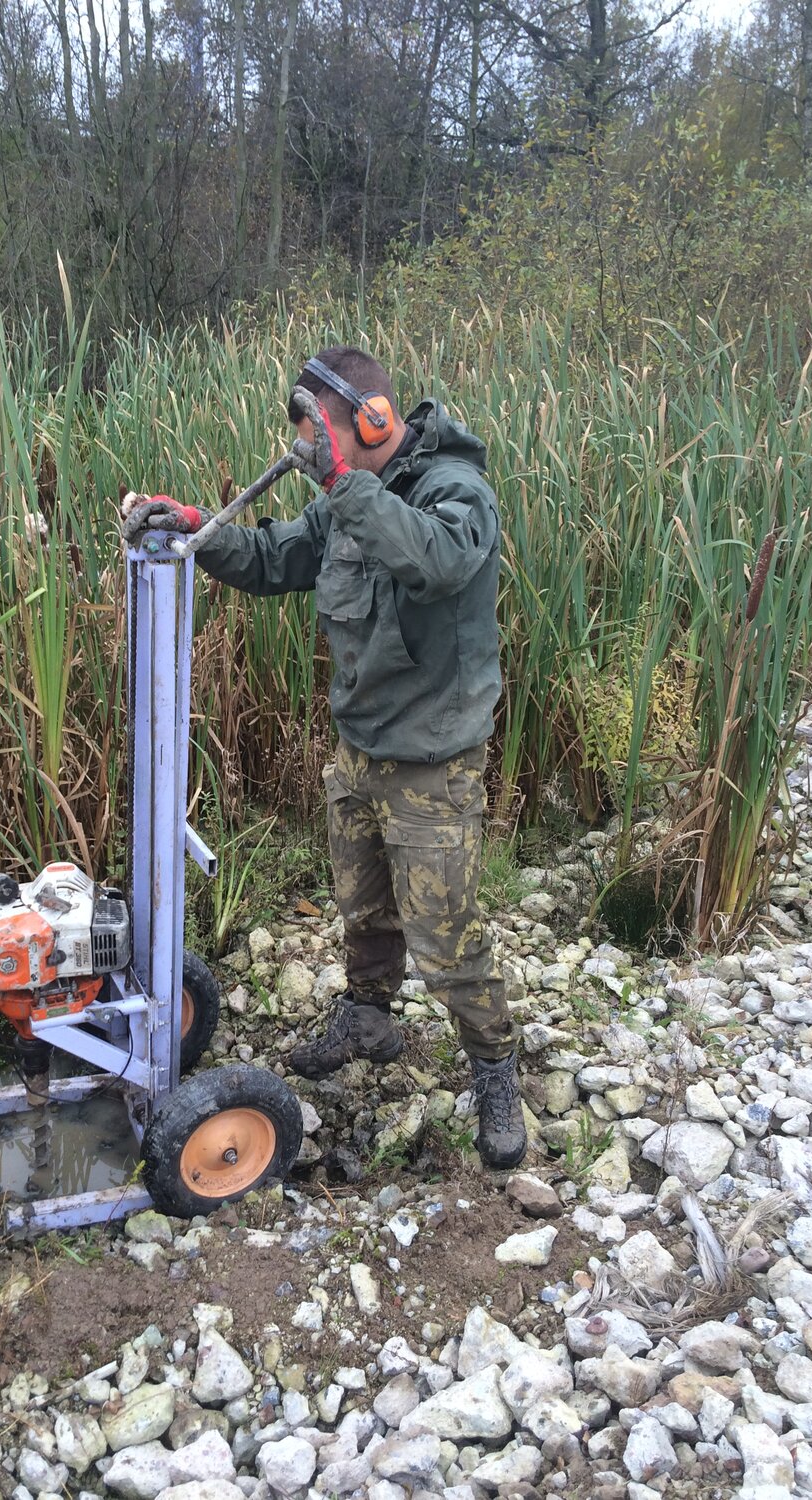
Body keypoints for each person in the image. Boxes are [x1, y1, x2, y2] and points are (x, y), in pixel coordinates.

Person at [121, 347, 526, 1170]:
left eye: (322, 442)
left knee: (445, 939)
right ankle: (367, 1017)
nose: (310, 459)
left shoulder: (455, 491)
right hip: (360, 747)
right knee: (362, 904)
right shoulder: (344, 500)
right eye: (306, 449)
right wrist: (201, 530)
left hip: (433, 764)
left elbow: (434, 561)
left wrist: (344, 482)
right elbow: (279, 558)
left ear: (372, 422)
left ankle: (494, 1069)